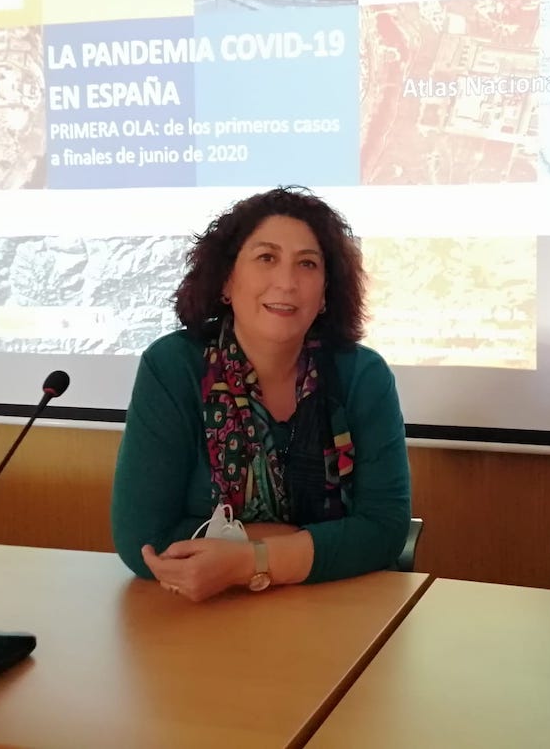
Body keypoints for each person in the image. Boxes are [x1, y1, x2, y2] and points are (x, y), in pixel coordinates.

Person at [111, 187, 411, 601]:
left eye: (307, 263)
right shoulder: (174, 367)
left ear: (326, 292)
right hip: (206, 613)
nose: (286, 282)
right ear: (226, 280)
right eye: (266, 258)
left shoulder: (362, 375)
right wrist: (308, 544)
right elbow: (144, 539)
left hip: (339, 604)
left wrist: (245, 561)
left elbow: (384, 529)